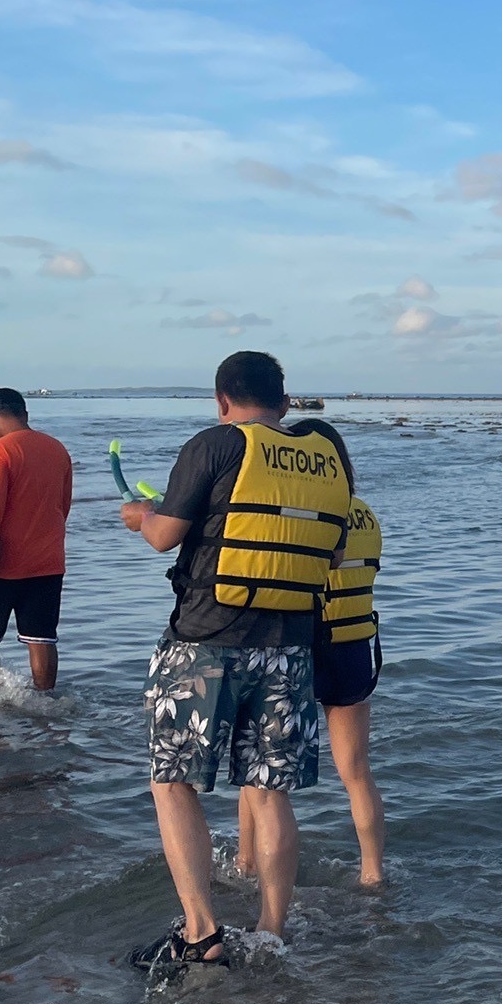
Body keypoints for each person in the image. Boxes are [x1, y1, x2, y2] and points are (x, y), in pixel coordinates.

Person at [121, 350, 353, 970]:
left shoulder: (216, 444)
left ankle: (202, 932)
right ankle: (273, 931)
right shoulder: (326, 457)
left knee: (171, 780)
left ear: (222, 399)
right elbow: (330, 555)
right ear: (284, 401)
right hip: (290, 648)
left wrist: (141, 516)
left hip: (207, 639)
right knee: (270, 791)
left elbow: (165, 535)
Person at [238, 486, 385, 887]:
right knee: (356, 772)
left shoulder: (303, 512)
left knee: (258, 772)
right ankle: (373, 873)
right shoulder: (366, 514)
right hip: (355, 648)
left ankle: (247, 861)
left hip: (301, 646)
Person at [0, 387, 74, 693]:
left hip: (0, 564)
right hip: (48, 560)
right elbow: (63, 505)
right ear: (25, 414)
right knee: (41, 637)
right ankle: (44, 699)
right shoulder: (57, 449)